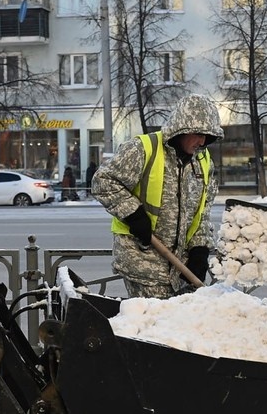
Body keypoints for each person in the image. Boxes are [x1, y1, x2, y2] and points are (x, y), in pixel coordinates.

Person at [92, 94, 223, 299]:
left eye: (208, 136)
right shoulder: (143, 149)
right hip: (144, 261)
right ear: (182, 128)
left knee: (180, 325)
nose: (202, 141)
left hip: (181, 266)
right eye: (198, 133)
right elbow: (103, 181)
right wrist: (133, 214)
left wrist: (200, 248)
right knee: (154, 325)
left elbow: (202, 212)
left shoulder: (204, 160)